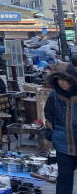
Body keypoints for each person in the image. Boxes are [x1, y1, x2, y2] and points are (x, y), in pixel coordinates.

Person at [44, 62, 77, 194]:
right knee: (64, 178)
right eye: (59, 79)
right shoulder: (55, 96)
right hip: (63, 143)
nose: (61, 83)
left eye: (65, 79)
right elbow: (48, 114)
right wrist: (50, 133)